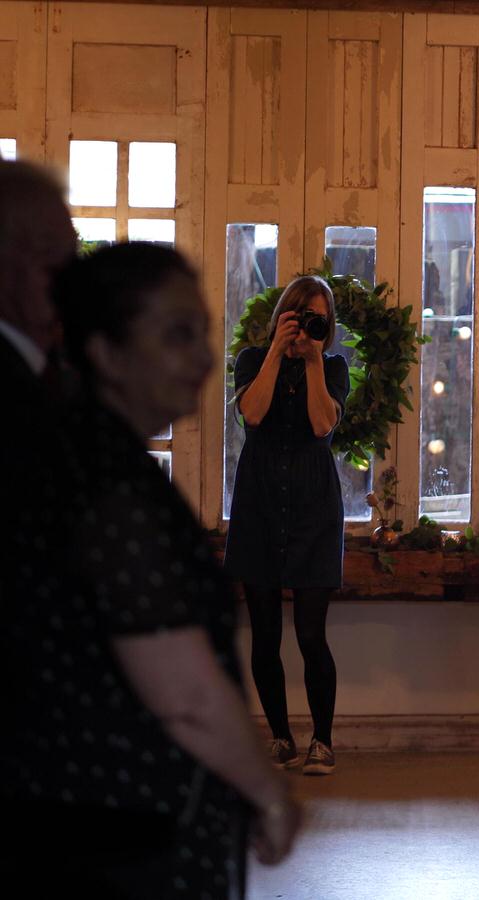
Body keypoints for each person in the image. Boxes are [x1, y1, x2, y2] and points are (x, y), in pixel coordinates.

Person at [2, 242, 300, 897]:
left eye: (203, 332)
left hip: (87, 808)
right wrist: (268, 792)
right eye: (176, 335)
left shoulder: (79, 454)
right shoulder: (108, 482)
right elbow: (184, 694)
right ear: (106, 352)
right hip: (123, 824)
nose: (202, 356)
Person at [225, 275, 350, 776]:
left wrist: (315, 358)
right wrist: (277, 351)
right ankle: (280, 737)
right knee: (264, 635)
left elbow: (323, 425)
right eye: (299, 316)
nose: (306, 327)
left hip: (313, 510)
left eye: (317, 320)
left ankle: (323, 739)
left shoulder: (334, 366)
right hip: (258, 505)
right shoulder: (253, 361)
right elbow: (251, 416)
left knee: (311, 635)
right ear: (282, 316)